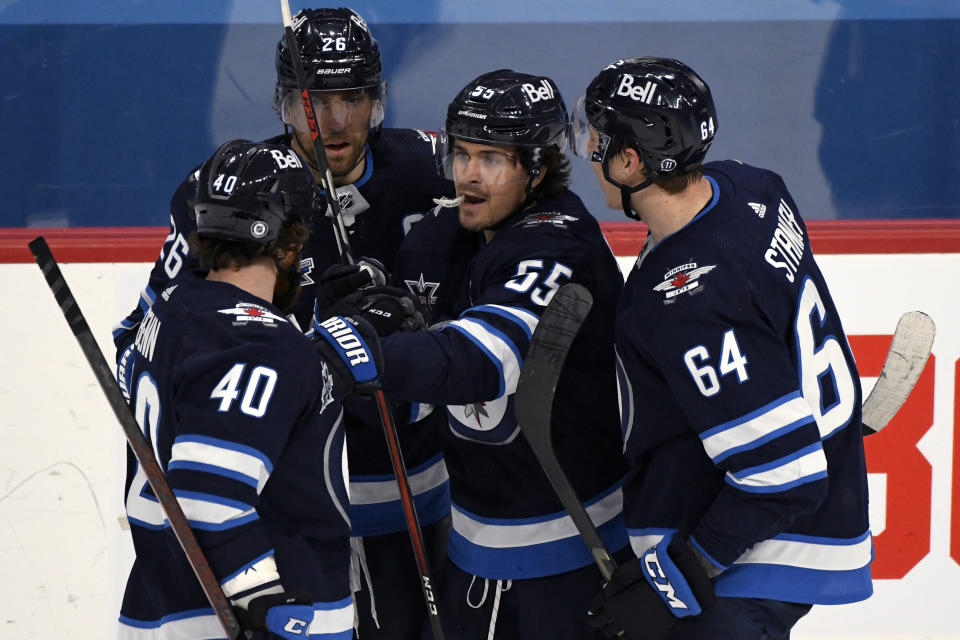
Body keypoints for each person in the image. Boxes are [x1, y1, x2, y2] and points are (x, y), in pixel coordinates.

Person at [113, 9, 453, 638]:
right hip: (279, 515)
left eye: (353, 97)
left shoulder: (433, 171)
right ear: (283, 103)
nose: (334, 120)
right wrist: (317, 335)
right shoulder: (226, 195)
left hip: (413, 497)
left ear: (377, 99)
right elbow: (138, 340)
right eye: (313, 100)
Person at [569, 57, 873, 639]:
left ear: (631, 161)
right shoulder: (751, 187)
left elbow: (786, 475)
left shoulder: (690, 299)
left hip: (747, 569)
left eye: (599, 138)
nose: (589, 150)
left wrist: (684, 574)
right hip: (777, 535)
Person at [329, 69, 630, 639]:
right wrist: (368, 313)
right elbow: (418, 397)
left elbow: (482, 362)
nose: (468, 175)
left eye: (491, 158)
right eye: (461, 154)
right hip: (472, 550)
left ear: (537, 167)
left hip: (570, 558)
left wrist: (367, 355)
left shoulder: (558, 243)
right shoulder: (445, 241)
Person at [117, 139, 370, 640]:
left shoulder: (167, 310)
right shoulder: (262, 343)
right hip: (251, 621)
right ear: (290, 241)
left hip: (160, 602)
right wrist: (264, 600)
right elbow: (209, 491)